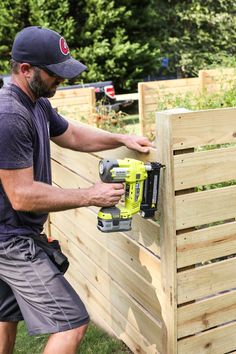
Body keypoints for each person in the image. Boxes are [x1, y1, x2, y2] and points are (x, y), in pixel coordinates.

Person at [0, 26, 153, 354]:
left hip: (10, 233)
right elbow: (21, 194)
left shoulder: (35, 102)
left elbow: (70, 135)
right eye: (55, 73)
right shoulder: (10, 115)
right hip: (9, 241)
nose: (62, 79)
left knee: (4, 316)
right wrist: (90, 195)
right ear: (25, 70)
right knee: (70, 322)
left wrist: (120, 138)